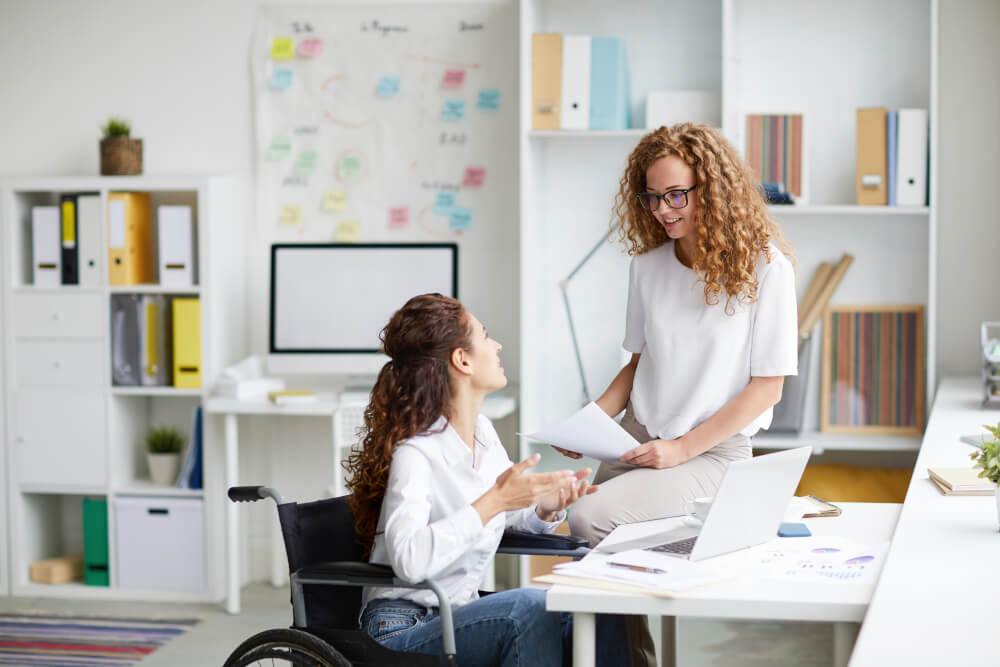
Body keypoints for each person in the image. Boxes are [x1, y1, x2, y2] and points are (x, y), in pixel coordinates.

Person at [558, 123, 798, 666]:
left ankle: (627, 660)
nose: (664, 210)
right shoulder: (647, 268)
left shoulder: (766, 268)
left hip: (712, 452)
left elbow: (768, 387)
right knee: (598, 567)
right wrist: (589, 421)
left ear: (710, 189)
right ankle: (626, 659)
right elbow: (639, 364)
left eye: (676, 195)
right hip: (639, 440)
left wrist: (683, 449)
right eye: (652, 196)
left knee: (589, 520)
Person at [346, 293, 628, 667]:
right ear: (462, 360)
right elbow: (409, 560)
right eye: (485, 336)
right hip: (402, 627)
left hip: (458, 614)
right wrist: (494, 500)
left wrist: (544, 507)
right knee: (525, 607)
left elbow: (503, 513)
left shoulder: (481, 432)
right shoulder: (415, 454)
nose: (497, 346)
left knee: (599, 601)